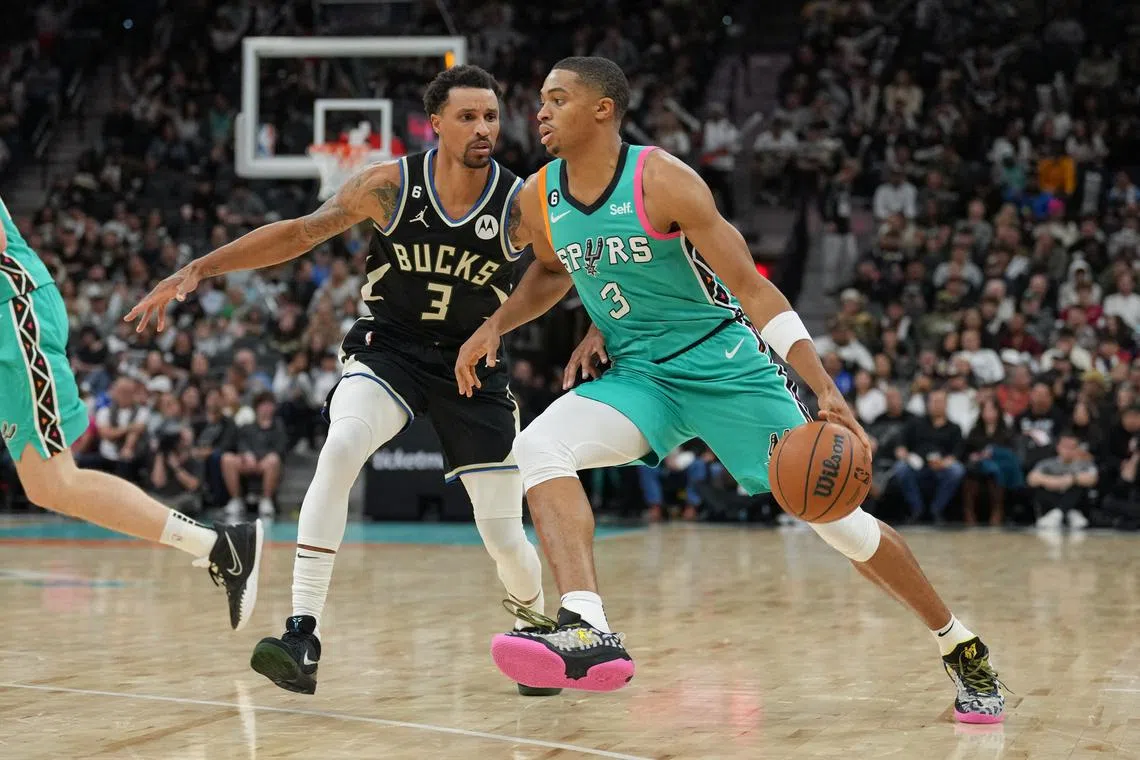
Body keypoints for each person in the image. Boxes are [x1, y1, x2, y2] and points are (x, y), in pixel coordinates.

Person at [454, 57, 1004, 723]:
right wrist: (500, 323)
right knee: (540, 446)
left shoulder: (662, 181)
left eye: (558, 98)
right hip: (640, 376)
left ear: (603, 109)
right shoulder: (540, 195)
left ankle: (959, 644)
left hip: (726, 368)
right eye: (540, 99)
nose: (539, 111)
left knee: (837, 523)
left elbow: (751, 286)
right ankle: (586, 626)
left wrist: (822, 386)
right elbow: (554, 270)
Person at [127, 65, 589, 697]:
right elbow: (299, 233)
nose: (483, 128)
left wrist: (502, 325)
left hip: (472, 362)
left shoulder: (521, 201)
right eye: (468, 116)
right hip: (389, 348)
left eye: (490, 115)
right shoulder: (389, 188)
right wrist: (199, 269)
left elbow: (559, 271)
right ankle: (301, 631)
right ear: (435, 123)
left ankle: (535, 634)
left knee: (504, 533)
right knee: (340, 447)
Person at [0, 194, 262, 631]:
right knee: (45, 488)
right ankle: (219, 544)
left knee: (56, 480)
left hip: (13, 313)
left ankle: (220, 544)